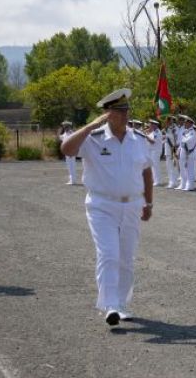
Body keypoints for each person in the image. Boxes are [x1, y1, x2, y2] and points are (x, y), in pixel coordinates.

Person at [59, 89, 154, 326]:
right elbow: (67, 150)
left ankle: (121, 304)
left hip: (131, 204)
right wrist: (90, 126)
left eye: (126, 110)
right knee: (109, 254)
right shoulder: (93, 139)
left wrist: (148, 202)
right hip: (102, 205)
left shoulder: (138, 140)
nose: (125, 115)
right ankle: (109, 304)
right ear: (107, 114)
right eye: (119, 111)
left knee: (126, 258)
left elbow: (146, 171)